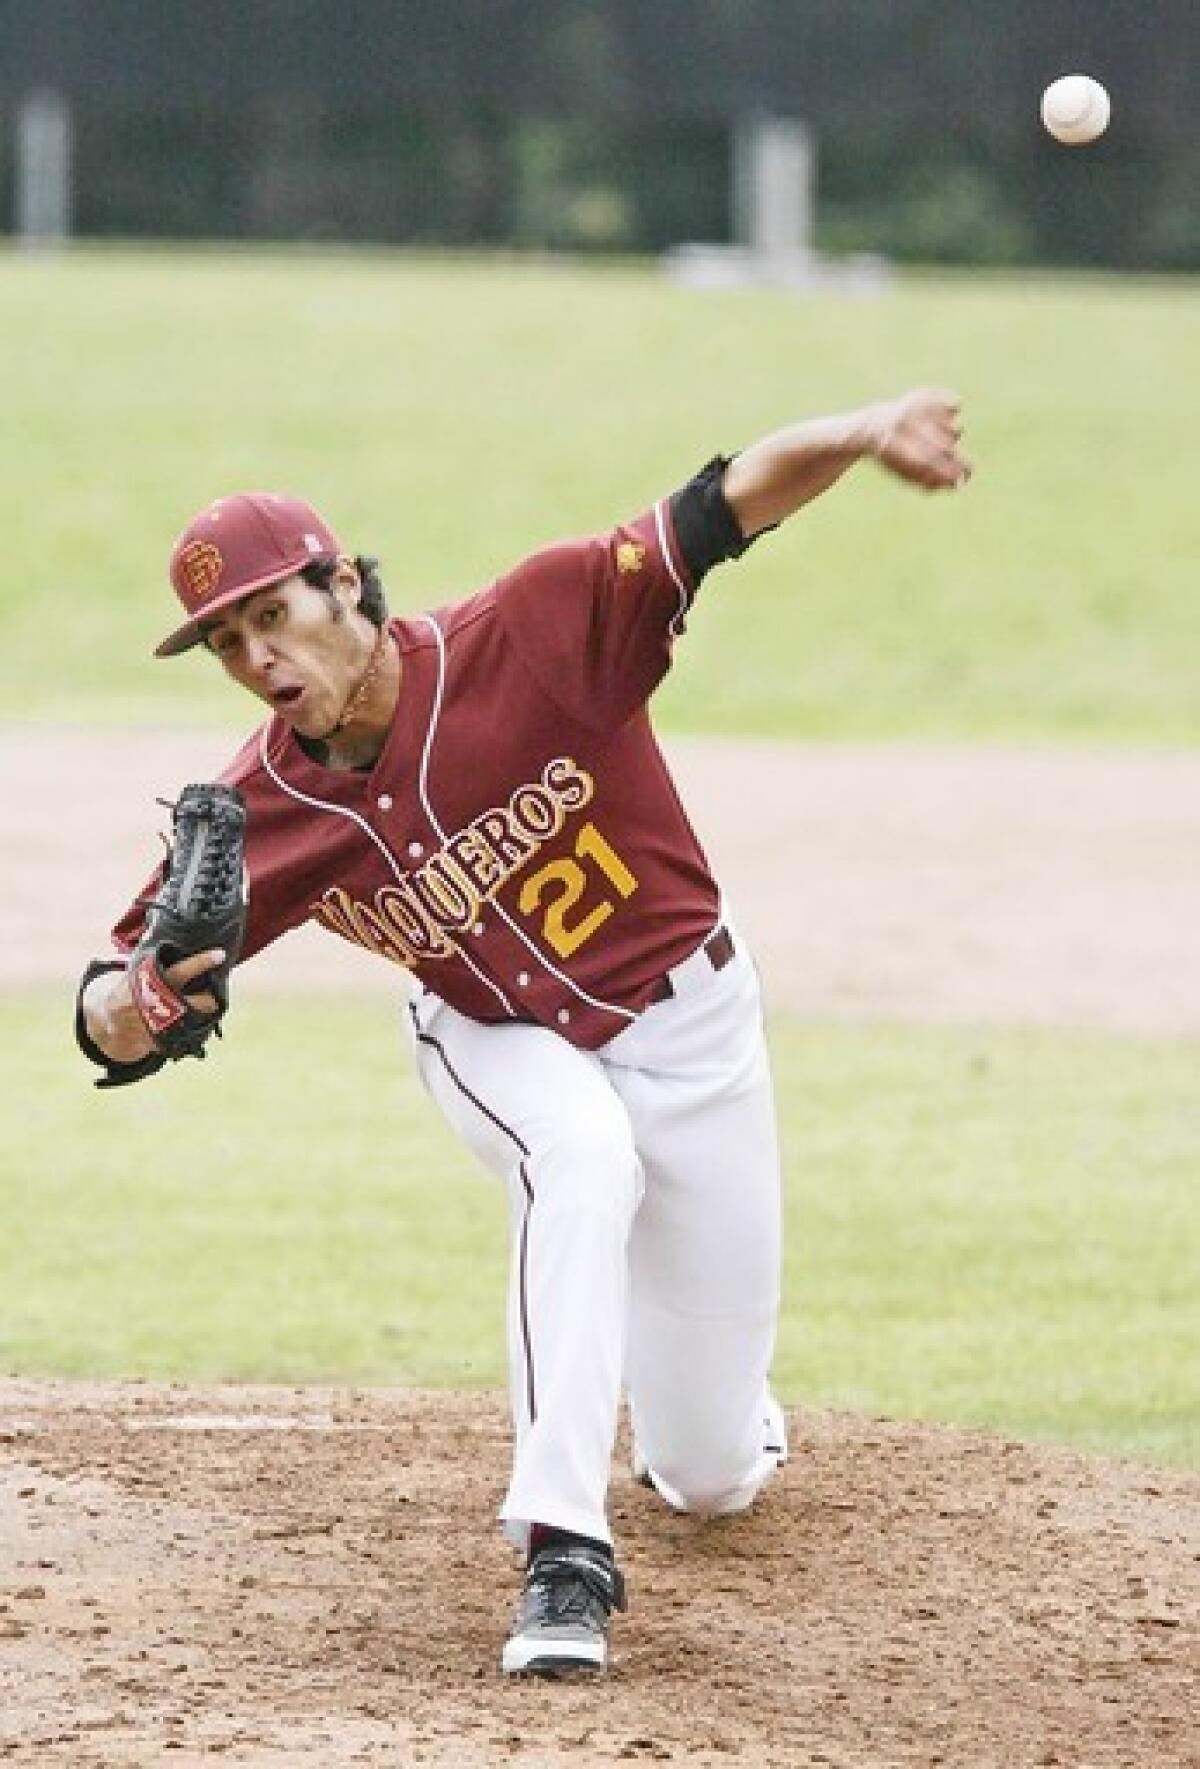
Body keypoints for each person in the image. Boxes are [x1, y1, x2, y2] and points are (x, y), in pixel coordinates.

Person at [77, 388, 970, 1676]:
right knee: (579, 1160)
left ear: (344, 588)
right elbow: (105, 1005)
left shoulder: (537, 627)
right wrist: (147, 1003)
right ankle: (562, 1548)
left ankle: (707, 1420)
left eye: (273, 614)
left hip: (694, 1023)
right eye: (227, 642)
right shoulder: (258, 801)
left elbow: (722, 506)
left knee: (711, 1474)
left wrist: (864, 429)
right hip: (492, 1033)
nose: (260, 659)